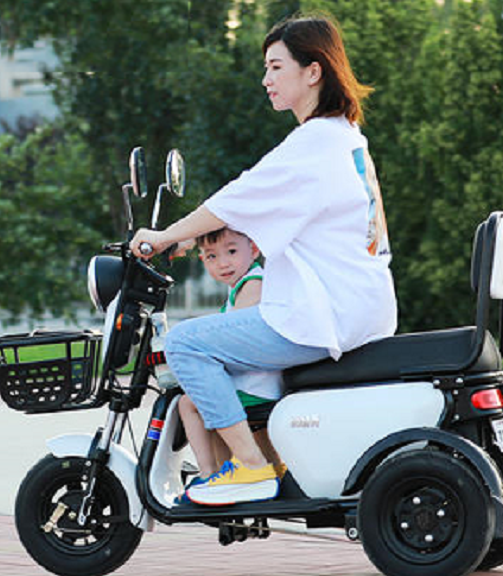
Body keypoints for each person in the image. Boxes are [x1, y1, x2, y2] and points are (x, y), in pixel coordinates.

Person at [132, 14, 397, 506]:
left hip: (325, 315)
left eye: (276, 67)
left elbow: (241, 195)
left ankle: (251, 466)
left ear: (313, 72)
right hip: (360, 307)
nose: (265, 79)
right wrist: (190, 240)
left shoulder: (314, 142)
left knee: (186, 344)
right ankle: (258, 458)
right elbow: (277, 212)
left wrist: (165, 235)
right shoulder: (346, 137)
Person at [176, 228, 285, 503]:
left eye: (232, 251)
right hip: (256, 378)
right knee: (211, 399)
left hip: (257, 384)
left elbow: (236, 339)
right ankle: (238, 472)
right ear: (202, 260)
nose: (223, 263)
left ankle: (209, 473)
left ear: (254, 249)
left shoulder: (253, 284)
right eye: (212, 256)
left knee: (191, 404)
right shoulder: (244, 284)